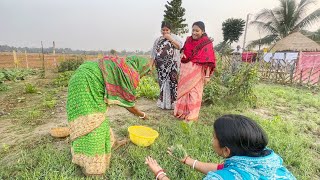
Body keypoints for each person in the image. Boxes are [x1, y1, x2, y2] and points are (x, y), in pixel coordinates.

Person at [67, 55, 152, 176]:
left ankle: (112, 143)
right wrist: (142, 115)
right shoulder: (130, 73)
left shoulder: (123, 64)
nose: (144, 76)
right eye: (146, 72)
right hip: (86, 83)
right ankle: (92, 168)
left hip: (82, 75)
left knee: (100, 117)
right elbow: (128, 104)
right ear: (142, 67)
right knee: (93, 123)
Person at [145, 114, 296, 180]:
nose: (212, 139)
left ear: (226, 150)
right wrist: (187, 160)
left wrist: (159, 173)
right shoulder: (275, 165)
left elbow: (223, 173)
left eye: (214, 137)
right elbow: (223, 169)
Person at [174, 21, 216, 121]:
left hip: (197, 73)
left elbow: (208, 61)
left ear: (203, 31)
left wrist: (207, 76)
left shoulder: (206, 43)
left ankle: (192, 115)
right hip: (185, 70)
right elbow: (184, 50)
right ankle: (181, 112)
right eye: (193, 30)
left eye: (197, 31)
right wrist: (182, 54)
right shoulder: (188, 40)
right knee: (183, 92)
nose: (194, 33)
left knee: (194, 93)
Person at [151, 21, 183, 110]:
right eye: (163, 30)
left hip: (172, 65)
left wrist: (170, 39)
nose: (165, 32)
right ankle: (163, 103)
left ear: (170, 30)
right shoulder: (158, 40)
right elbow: (153, 53)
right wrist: (151, 65)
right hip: (161, 67)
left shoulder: (175, 38)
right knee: (162, 84)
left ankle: (173, 104)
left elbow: (179, 47)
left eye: (167, 30)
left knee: (173, 83)